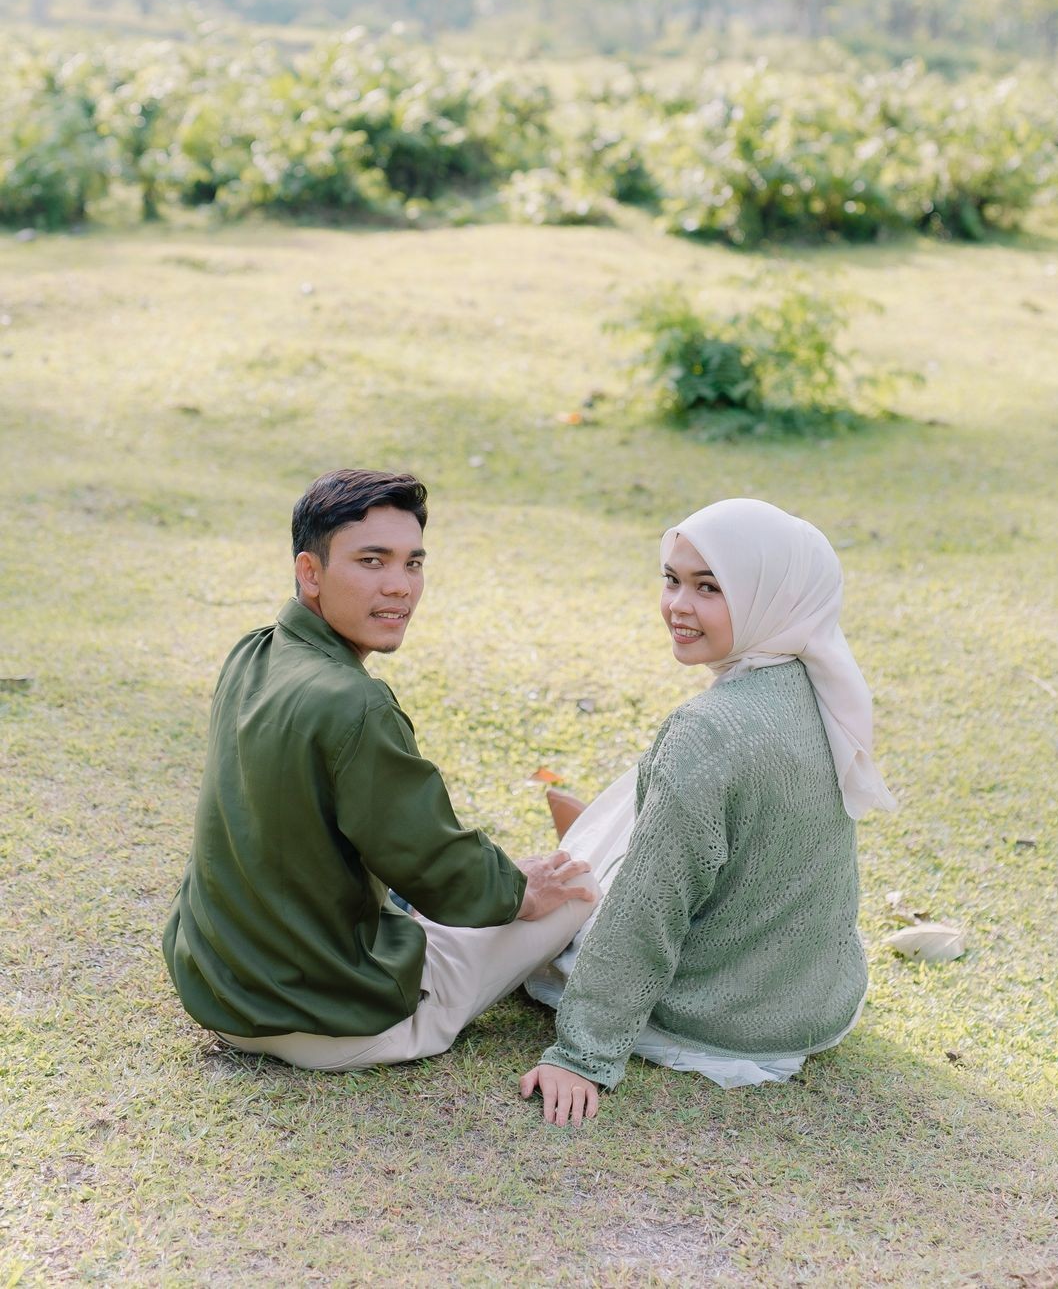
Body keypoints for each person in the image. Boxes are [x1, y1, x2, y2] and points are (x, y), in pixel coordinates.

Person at [163, 468, 596, 1073]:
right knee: (578, 891)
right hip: (327, 1021)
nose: (399, 586)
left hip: (219, 988)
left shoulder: (252, 652)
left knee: (496, 883)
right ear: (310, 572)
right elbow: (438, 870)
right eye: (372, 561)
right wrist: (521, 891)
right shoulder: (354, 703)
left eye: (412, 563)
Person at [520, 497, 897, 1126]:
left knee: (551, 913)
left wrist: (582, 1054)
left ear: (767, 595)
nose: (678, 605)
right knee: (630, 837)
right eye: (672, 579)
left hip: (719, 1018)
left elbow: (651, 909)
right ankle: (596, 841)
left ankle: (588, 851)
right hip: (815, 1003)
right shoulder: (822, 689)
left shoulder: (711, 728)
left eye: (709, 587)